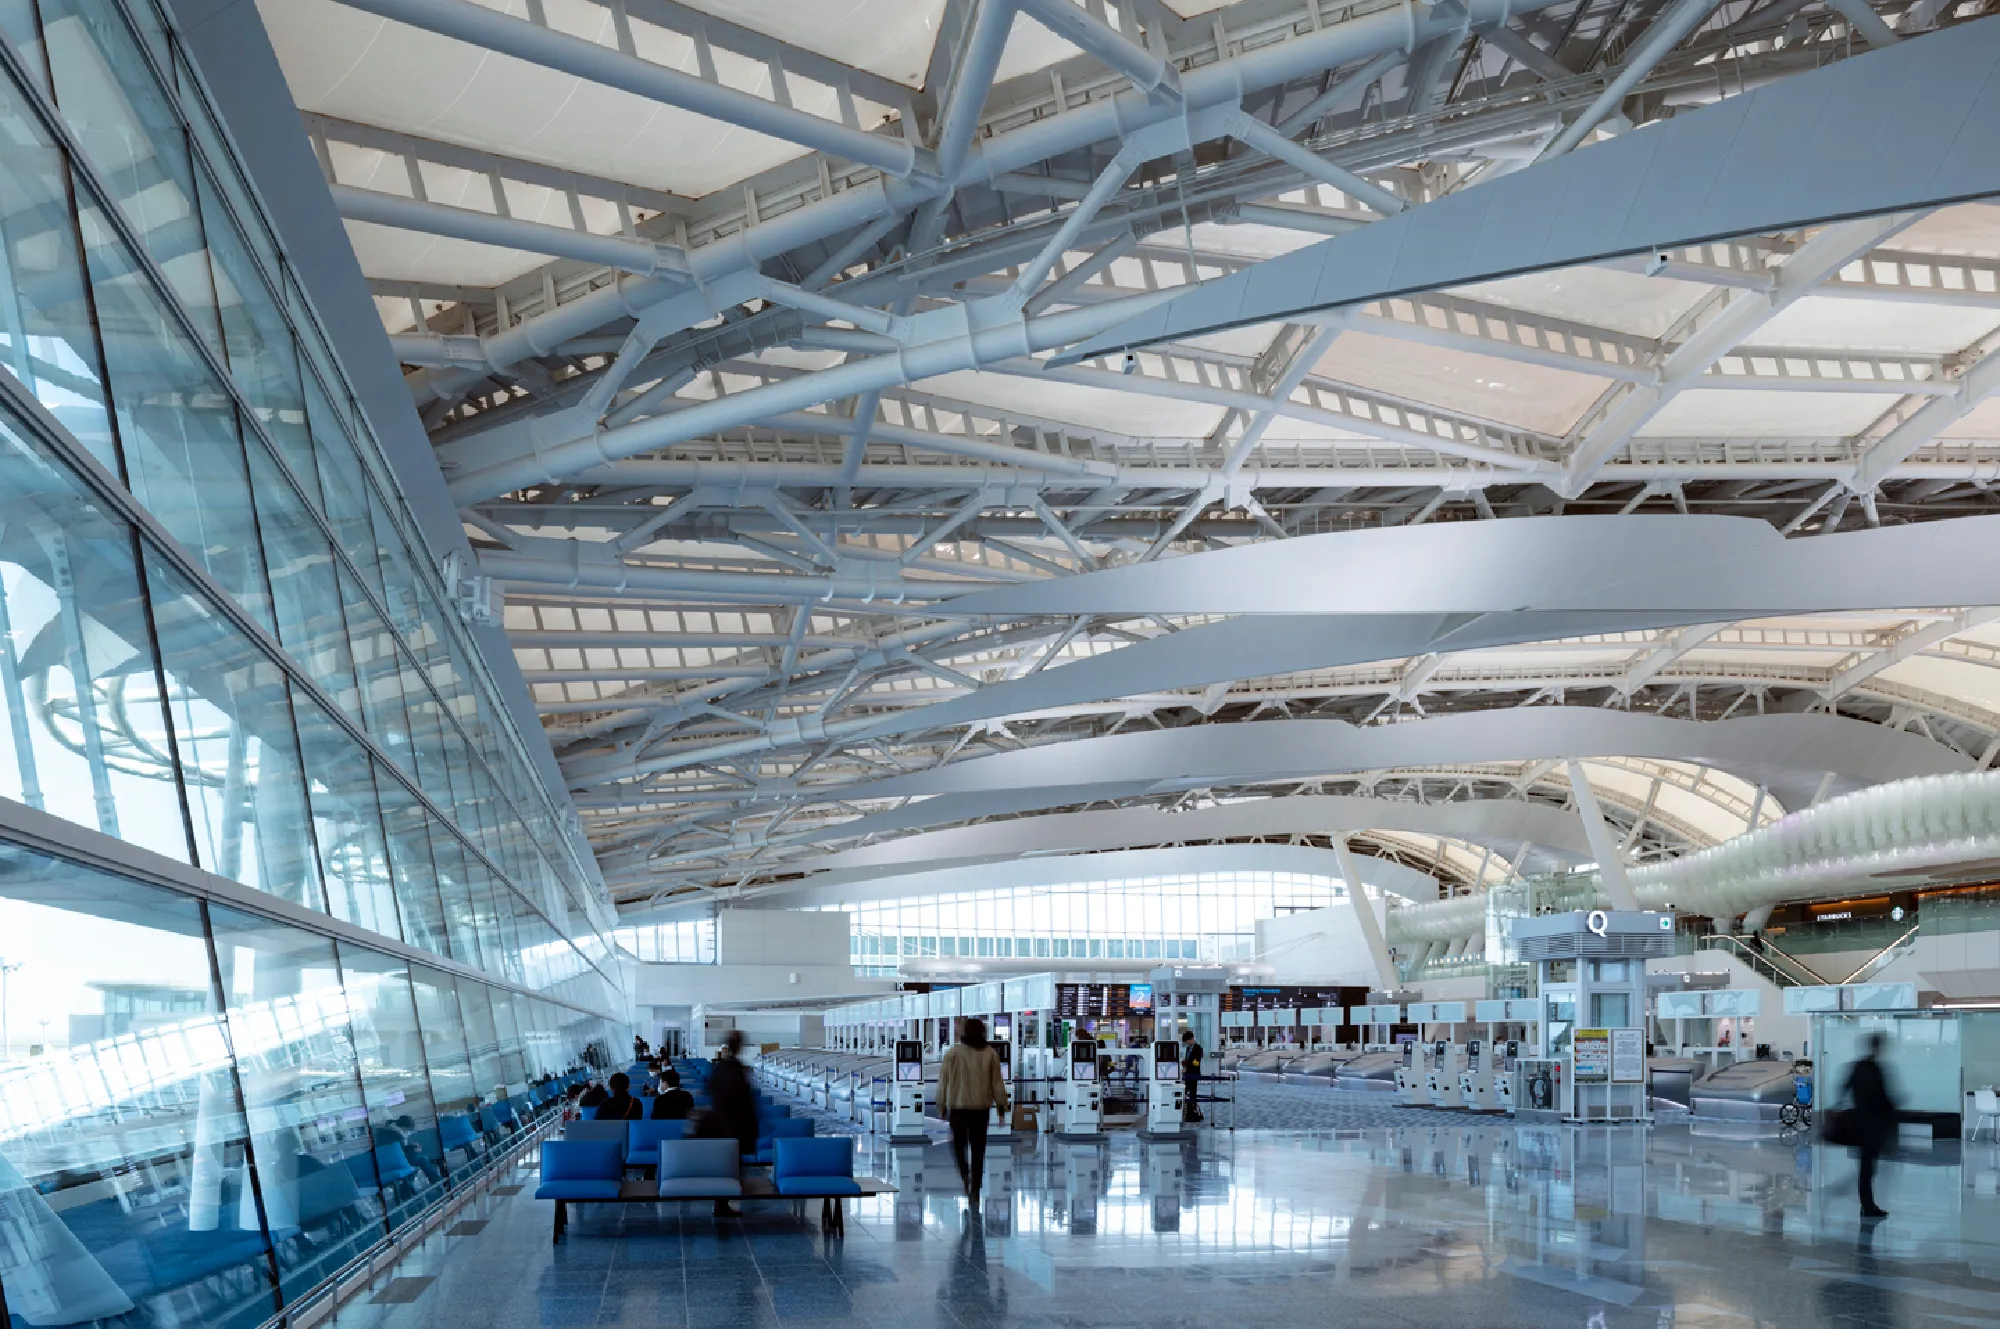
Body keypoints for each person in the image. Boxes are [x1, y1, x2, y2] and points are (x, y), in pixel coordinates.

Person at [938, 1017, 1008, 1208]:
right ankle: (975, 1188)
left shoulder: (953, 1053)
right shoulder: (990, 1054)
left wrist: (942, 1105)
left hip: (959, 1108)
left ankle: (964, 1174)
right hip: (981, 1109)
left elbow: (943, 1081)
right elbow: (997, 1083)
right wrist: (1001, 1108)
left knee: (959, 1146)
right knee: (979, 1149)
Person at [1843, 1031, 1900, 1219]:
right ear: (1878, 1047)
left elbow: (1845, 1088)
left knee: (1866, 1166)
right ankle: (1868, 1204)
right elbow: (1881, 1097)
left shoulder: (1858, 1066)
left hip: (1861, 1122)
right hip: (1872, 1125)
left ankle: (1867, 1203)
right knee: (1868, 1167)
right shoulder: (1874, 1068)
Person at [702, 1032, 758, 1217]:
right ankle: (723, 1202)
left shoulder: (721, 1067)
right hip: (733, 1124)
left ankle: (723, 1201)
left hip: (722, 1122)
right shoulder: (735, 1068)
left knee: (727, 1163)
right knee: (731, 1163)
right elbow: (743, 1099)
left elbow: (709, 1088)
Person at [1180, 1029, 1205, 1124]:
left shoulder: (1198, 1048)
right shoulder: (1188, 1048)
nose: (1186, 1043)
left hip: (1193, 1073)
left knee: (1192, 1092)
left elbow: (1196, 1062)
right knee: (1187, 1092)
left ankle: (1192, 1111)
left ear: (1191, 1039)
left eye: (1186, 1041)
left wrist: (1188, 1064)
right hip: (1187, 1073)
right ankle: (1189, 1111)